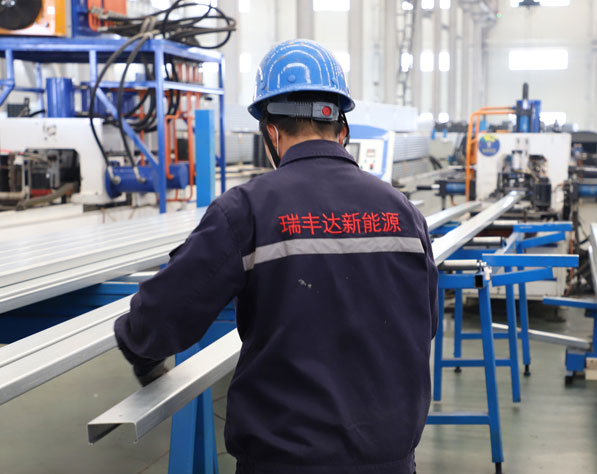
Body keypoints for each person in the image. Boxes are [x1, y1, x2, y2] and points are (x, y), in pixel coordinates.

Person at [114, 39, 438, 474]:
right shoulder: (404, 212)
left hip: (285, 459)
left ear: (271, 131)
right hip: (389, 458)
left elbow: (164, 313)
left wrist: (138, 345)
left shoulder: (247, 210)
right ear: (342, 128)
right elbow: (425, 323)